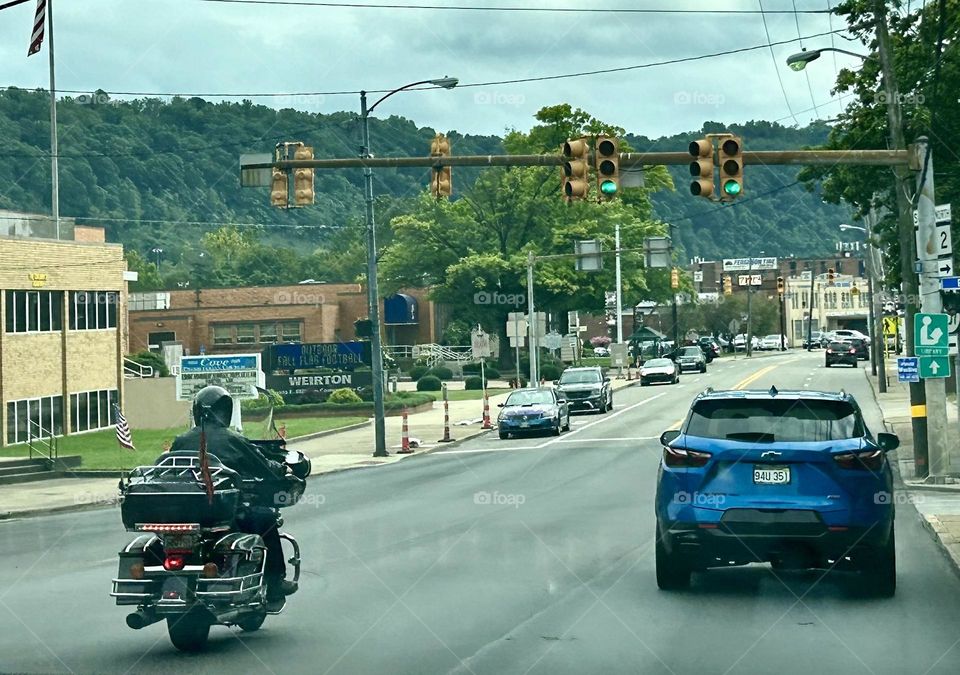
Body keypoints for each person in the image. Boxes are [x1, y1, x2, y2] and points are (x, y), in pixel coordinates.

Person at [168, 385, 297, 609]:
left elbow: (170, 472)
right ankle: (275, 583)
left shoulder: (181, 440)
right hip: (224, 514)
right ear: (225, 411)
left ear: (197, 411)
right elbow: (264, 467)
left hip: (185, 515)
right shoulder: (232, 440)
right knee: (266, 520)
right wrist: (281, 467)